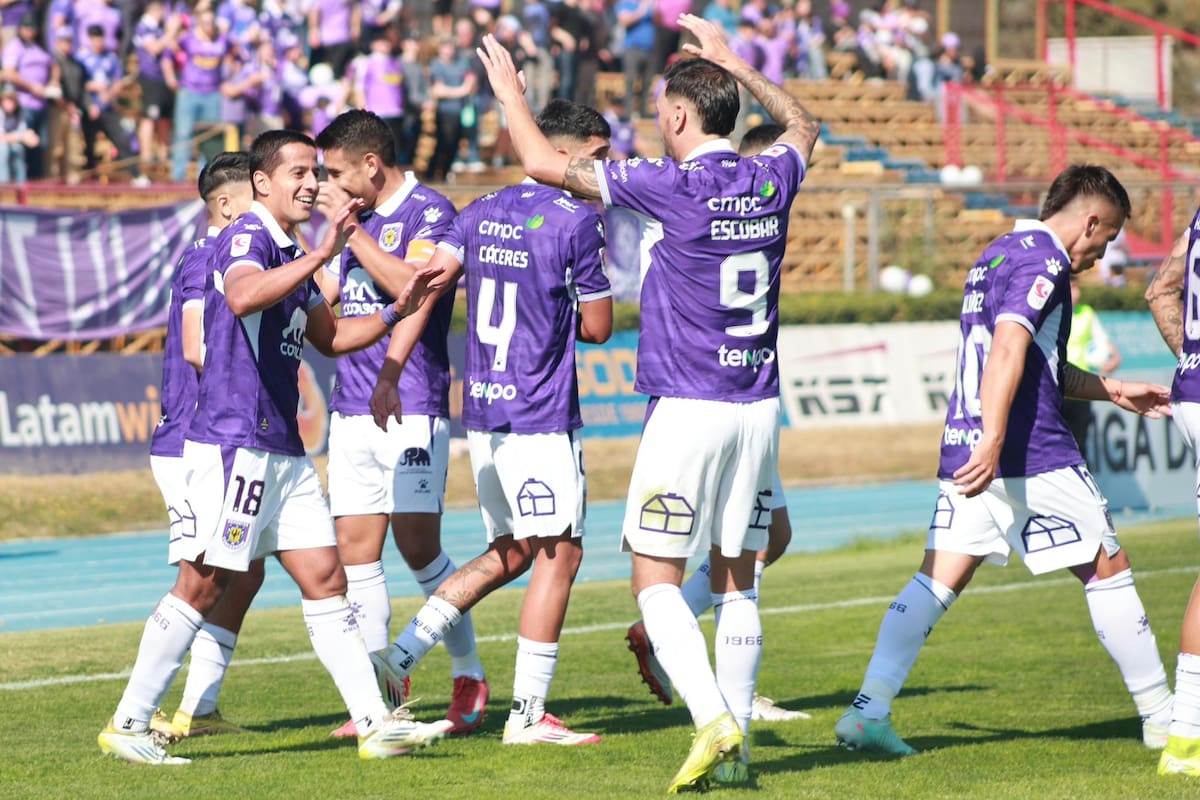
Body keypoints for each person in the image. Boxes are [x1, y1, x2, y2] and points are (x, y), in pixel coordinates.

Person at [479, 13, 819, 791]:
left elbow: (537, 160)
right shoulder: (774, 174)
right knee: (739, 577)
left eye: (661, 114)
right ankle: (738, 766)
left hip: (688, 404)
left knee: (655, 579)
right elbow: (803, 121)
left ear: (674, 116)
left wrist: (509, 94)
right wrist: (735, 60)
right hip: (759, 405)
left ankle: (713, 721)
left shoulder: (667, 182)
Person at [97, 129, 453, 765]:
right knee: (204, 583)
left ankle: (377, 722)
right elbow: (239, 294)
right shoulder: (248, 237)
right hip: (236, 444)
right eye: (297, 172)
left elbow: (332, 336)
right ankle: (128, 721)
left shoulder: (288, 247)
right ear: (261, 183)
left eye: (315, 172)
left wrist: (398, 310)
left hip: (283, 449)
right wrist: (323, 255)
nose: (311, 183)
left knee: (325, 577)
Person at [834, 165, 1174, 759]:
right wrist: (996, 440)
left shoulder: (996, 254)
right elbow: (1011, 349)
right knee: (1106, 567)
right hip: (1026, 449)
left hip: (968, 446)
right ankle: (1162, 718)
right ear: (1090, 220)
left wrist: (1115, 390)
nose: (1101, 253)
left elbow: (1038, 363)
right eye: (1108, 236)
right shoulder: (1045, 262)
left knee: (937, 579)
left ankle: (868, 711)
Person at [367, 98, 614, 747]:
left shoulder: (477, 211)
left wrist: (388, 364)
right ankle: (528, 716)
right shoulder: (576, 221)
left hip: (485, 414)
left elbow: (427, 282)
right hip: (539, 413)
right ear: (570, 152)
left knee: (512, 553)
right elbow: (597, 326)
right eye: (600, 158)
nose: (605, 172)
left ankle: (401, 656)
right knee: (561, 553)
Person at [624, 123, 809, 726]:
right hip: (737, 399)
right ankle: (726, 711)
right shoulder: (750, 190)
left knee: (759, 547)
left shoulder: (683, 190)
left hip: (712, 397)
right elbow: (806, 127)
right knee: (737, 561)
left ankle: (716, 701)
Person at [313, 109, 486, 738]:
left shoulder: (432, 212)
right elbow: (327, 296)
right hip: (350, 409)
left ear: (370, 165)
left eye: (334, 172)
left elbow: (412, 288)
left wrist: (354, 232)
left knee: (418, 547)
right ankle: (376, 701)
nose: (325, 184)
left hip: (410, 403)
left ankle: (468, 672)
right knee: (358, 559)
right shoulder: (345, 221)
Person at [144, 152, 265, 741]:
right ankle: (139, 715)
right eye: (254, 193)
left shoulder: (241, 252)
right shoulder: (206, 255)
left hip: (227, 437)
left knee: (245, 571)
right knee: (205, 575)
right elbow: (196, 347)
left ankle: (200, 707)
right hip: (197, 438)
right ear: (225, 203)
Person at [1145, 210, 1200, 777]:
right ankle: (1186, 740)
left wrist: (1192, 359)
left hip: (1193, 390)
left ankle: (1186, 736)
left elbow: (1161, 287)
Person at [1062, 279, 1122, 457]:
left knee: (1079, 443)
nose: (1076, 293)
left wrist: (1114, 357)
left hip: (1081, 386)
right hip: (1056, 386)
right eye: (1071, 288)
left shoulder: (1086, 313)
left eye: (1076, 288)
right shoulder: (1053, 312)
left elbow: (1103, 341)